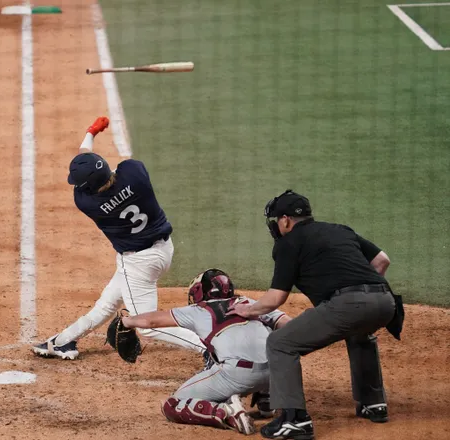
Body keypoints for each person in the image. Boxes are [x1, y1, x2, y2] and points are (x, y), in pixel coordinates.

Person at [232, 189, 402, 440]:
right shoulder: (339, 229)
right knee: (359, 334)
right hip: (385, 302)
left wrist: (247, 309)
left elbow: (275, 298)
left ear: (286, 220)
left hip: (348, 304)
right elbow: (382, 261)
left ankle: (295, 420)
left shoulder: (288, 244)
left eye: (277, 220)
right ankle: (373, 403)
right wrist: (365, 293)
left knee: (280, 343)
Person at [32, 116, 205, 360]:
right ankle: (62, 342)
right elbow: (97, 166)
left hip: (138, 264)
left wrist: (90, 133)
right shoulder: (135, 173)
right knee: (106, 304)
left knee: (147, 325)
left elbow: (85, 163)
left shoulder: (88, 203)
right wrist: (93, 135)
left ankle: (210, 348)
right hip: (164, 250)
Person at [120, 268, 292, 435]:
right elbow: (287, 324)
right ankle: (267, 399)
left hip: (238, 376)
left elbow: (152, 322)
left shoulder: (198, 310)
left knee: (172, 405)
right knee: (264, 337)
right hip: (278, 371)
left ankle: (226, 412)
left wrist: (127, 321)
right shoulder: (249, 303)